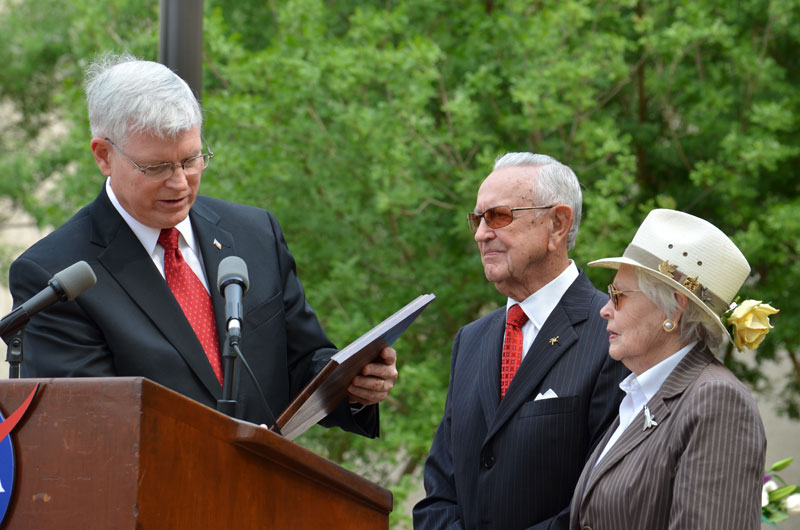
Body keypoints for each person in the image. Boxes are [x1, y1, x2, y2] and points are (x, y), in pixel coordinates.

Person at [8, 54, 397, 436]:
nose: (179, 183)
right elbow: (91, 429)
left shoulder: (254, 233)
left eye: (192, 160)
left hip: (270, 493)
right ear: (104, 156)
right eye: (157, 167)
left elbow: (302, 363)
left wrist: (353, 385)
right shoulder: (54, 276)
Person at [413, 153, 629, 529]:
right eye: (477, 220)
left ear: (558, 225)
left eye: (498, 216)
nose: (481, 233)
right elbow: (440, 493)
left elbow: (602, 500)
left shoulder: (611, 333)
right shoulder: (471, 340)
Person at [569, 209, 771, 529]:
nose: (605, 310)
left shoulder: (717, 401)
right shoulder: (642, 393)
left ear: (674, 309)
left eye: (618, 295)